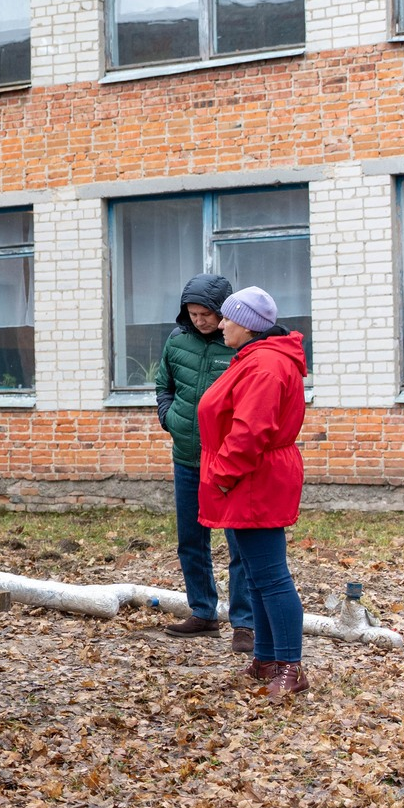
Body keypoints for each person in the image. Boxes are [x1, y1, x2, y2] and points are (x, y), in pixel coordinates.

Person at [196, 285, 309, 698]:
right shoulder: (255, 358)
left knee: (272, 576)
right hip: (248, 478)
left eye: (226, 317)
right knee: (258, 575)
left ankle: (291, 667)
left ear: (246, 324)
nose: (220, 323)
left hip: (251, 479)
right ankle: (265, 658)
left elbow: (249, 431)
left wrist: (221, 475)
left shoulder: (264, 365)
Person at [154, 274, 253, 652]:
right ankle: (203, 613)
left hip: (227, 461)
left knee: (238, 543)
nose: (200, 321)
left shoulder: (239, 346)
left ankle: (244, 623)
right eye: (193, 313)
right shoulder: (176, 341)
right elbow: (164, 384)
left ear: (224, 312)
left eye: (207, 313)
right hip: (186, 457)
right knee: (190, 540)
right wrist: (169, 417)